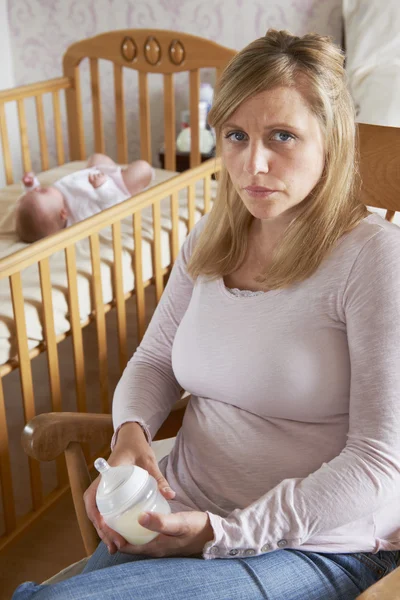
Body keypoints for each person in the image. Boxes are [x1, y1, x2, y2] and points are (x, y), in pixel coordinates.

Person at [12, 29, 400, 600]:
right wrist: (129, 433)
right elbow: (153, 360)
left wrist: (221, 534)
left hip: (312, 548)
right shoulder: (210, 240)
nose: (253, 163)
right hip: (178, 511)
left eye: (283, 136)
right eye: (236, 135)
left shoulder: (374, 259)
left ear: (331, 140)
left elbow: (376, 465)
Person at [15, 154, 154, 242]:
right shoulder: (80, 214)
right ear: (63, 213)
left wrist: (31, 185)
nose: (39, 188)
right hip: (117, 187)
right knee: (143, 168)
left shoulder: (52, 204)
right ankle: (127, 176)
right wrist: (102, 187)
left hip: (95, 174)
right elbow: (112, 206)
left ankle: (117, 169)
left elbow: (37, 203)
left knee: (96, 158)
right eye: (42, 190)